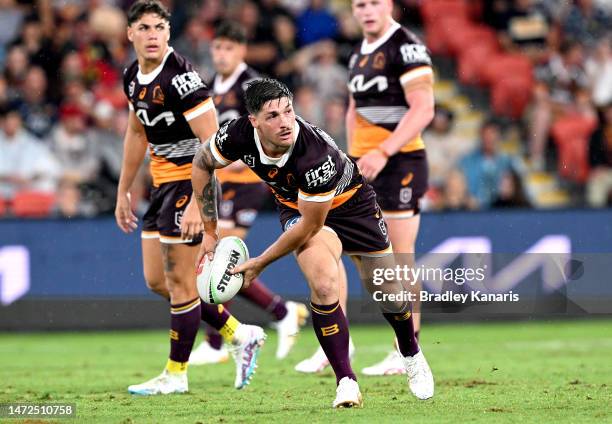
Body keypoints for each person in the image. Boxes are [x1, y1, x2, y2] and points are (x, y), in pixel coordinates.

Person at [191, 78, 434, 407]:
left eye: (289, 111)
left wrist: (260, 262)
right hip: (297, 208)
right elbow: (202, 163)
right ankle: (346, 380)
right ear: (254, 122)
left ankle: (411, 352)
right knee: (322, 282)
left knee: (387, 290)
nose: (285, 122)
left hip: (351, 206)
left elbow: (310, 225)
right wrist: (210, 231)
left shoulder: (313, 153)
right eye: (273, 115)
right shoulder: (235, 135)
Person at [114, 0, 264, 396]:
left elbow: (212, 143)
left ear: (168, 32)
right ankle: (239, 333)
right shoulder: (132, 76)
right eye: (144, 28)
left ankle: (175, 374)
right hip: (161, 184)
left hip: (188, 183)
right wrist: (124, 188)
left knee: (181, 283)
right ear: (130, 33)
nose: (152, 36)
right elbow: (135, 133)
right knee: (157, 280)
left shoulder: (182, 78)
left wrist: (200, 202)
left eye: (159, 28)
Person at [296, 0, 435, 377]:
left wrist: (383, 151)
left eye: (374, 2)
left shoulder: (405, 46)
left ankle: (406, 349)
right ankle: (341, 345)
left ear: (388, 5)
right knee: (351, 256)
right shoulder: (359, 51)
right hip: (363, 165)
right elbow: (354, 108)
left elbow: (423, 108)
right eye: (360, 4)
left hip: (400, 162)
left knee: (398, 259)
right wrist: (353, 157)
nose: (367, 10)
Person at [189, 21, 308, 365]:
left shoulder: (252, 87)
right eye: (217, 48)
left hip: (247, 183)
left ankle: (218, 342)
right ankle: (281, 312)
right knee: (217, 260)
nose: (221, 54)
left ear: (241, 50)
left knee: (218, 258)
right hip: (220, 182)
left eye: (228, 48)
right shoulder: (210, 86)